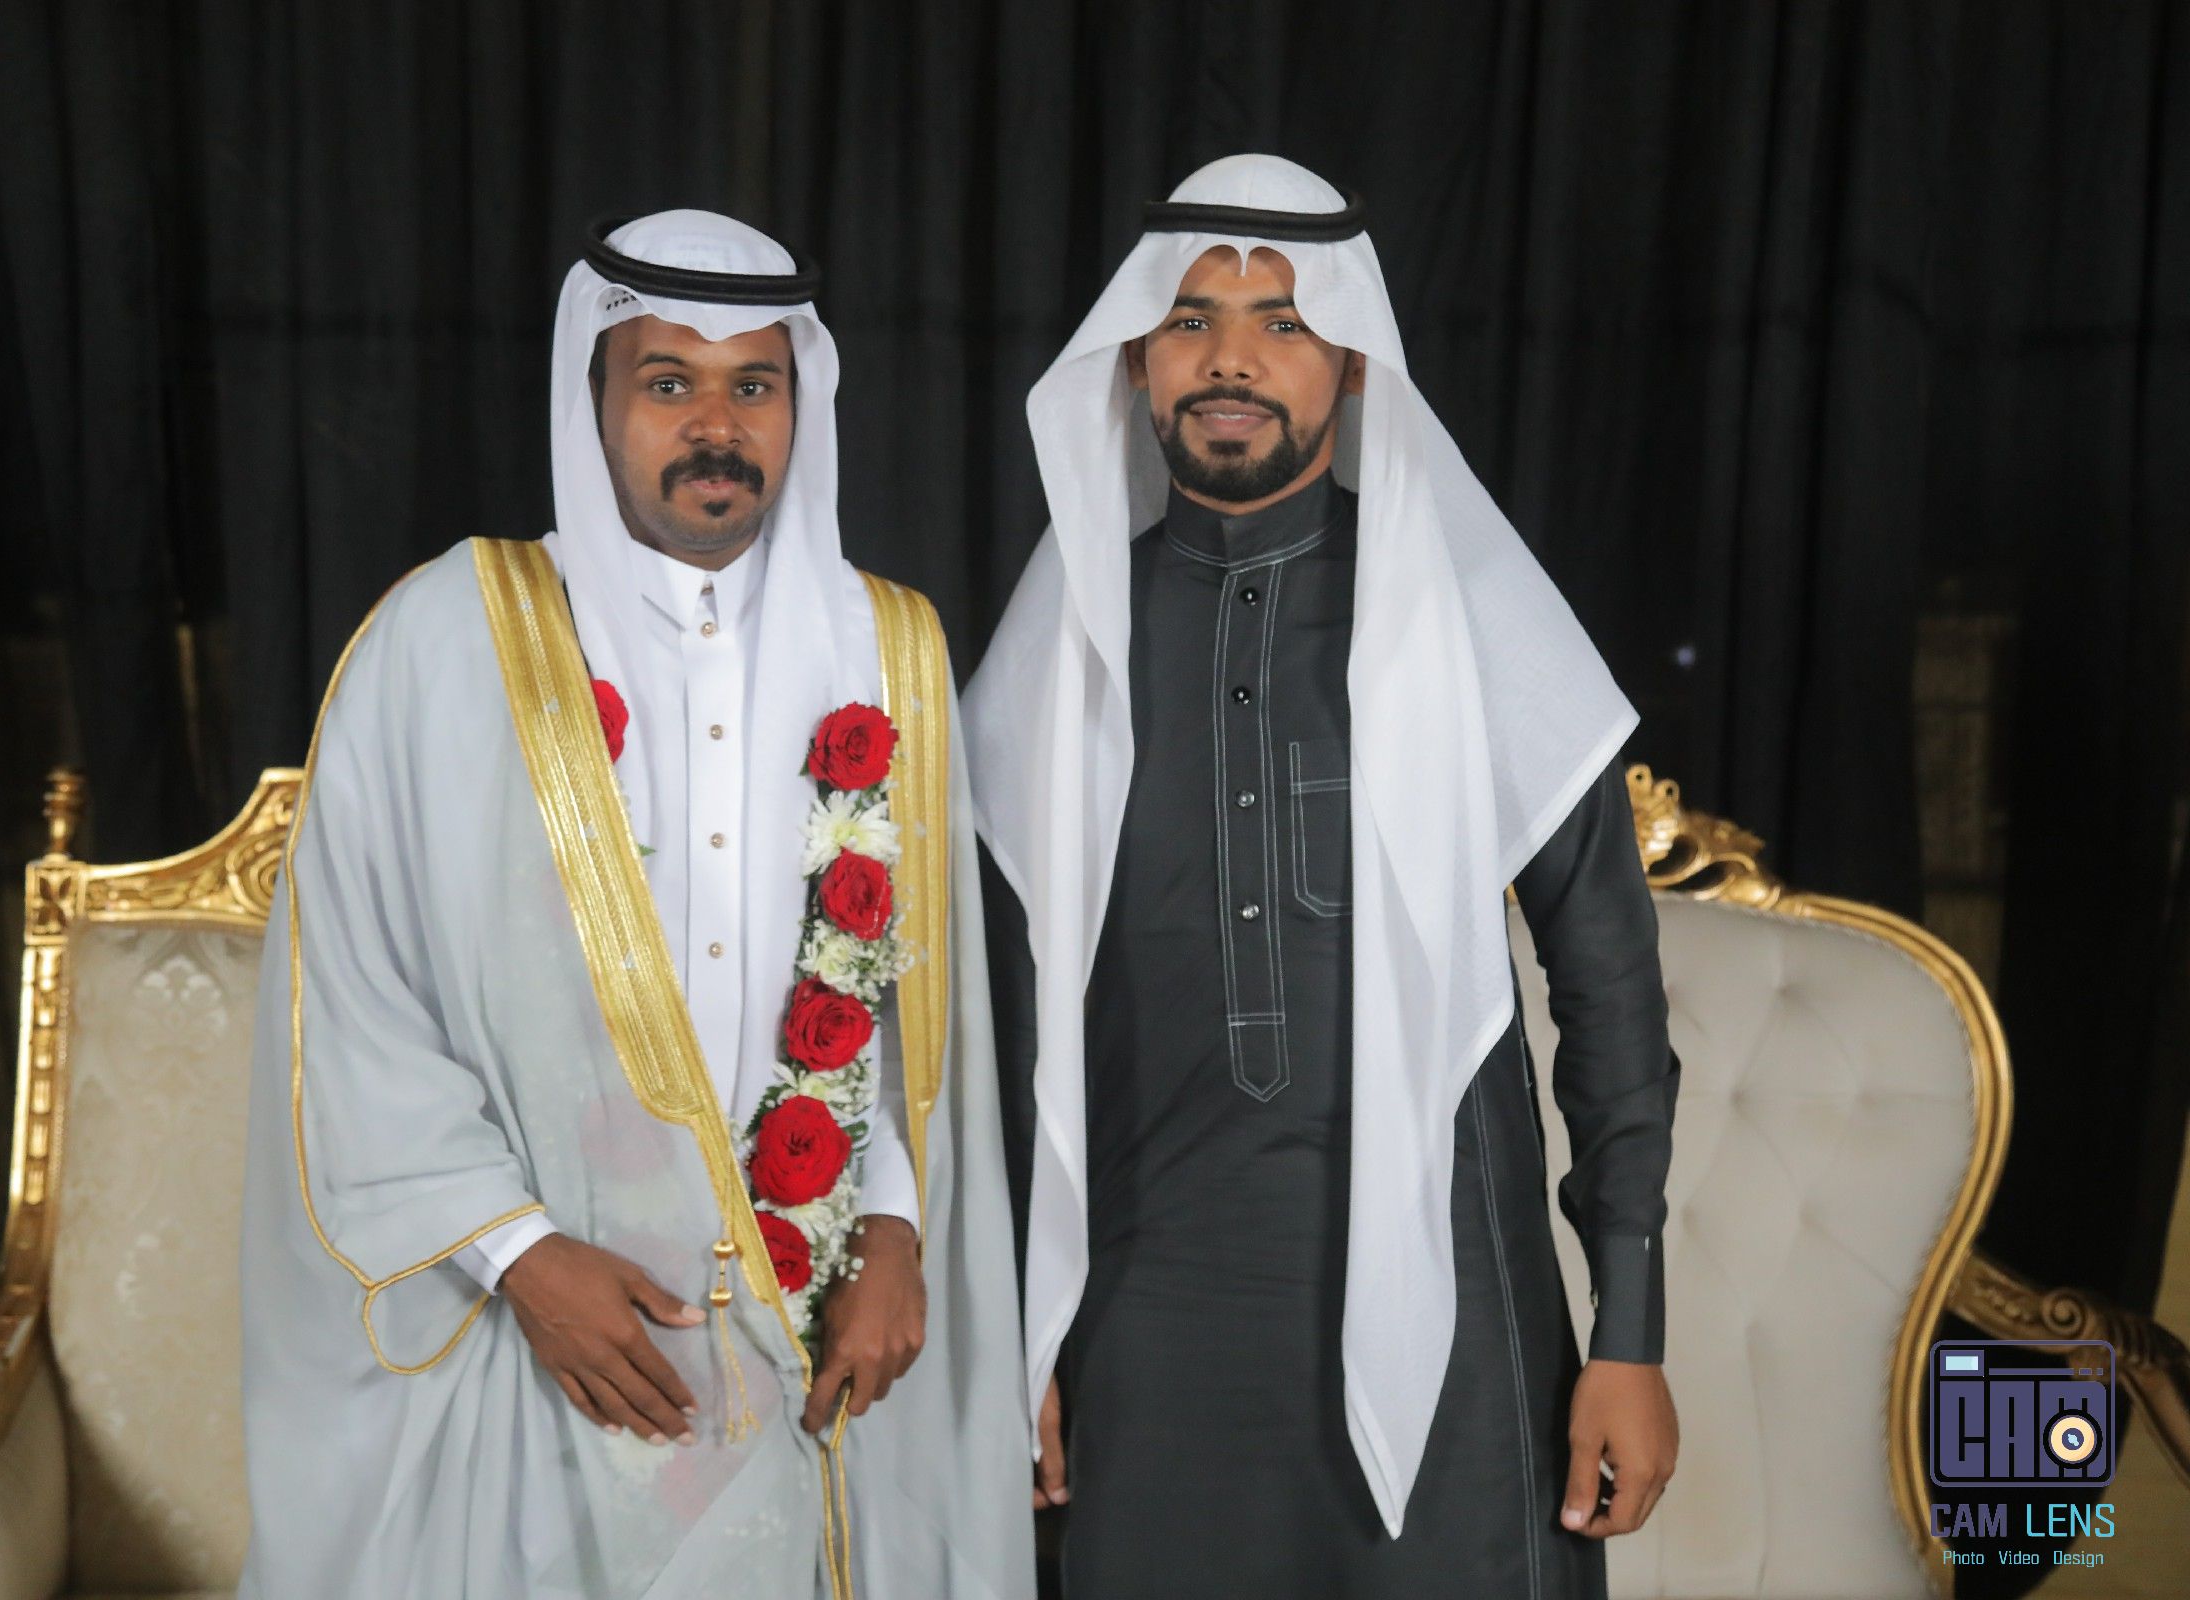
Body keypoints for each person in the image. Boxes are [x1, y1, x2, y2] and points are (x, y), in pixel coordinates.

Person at [239, 210, 1032, 1600]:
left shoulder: (886, 647)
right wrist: (518, 1256)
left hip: (813, 1326)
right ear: (594, 398)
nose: (716, 425)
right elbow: (349, 990)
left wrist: (896, 1226)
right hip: (544, 1340)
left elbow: (922, 1010)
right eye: (669, 383)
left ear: (801, 403)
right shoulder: (450, 637)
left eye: (753, 384)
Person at [966, 155, 1681, 1598]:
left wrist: (1631, 1332)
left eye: (1283, 322)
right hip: (1147, 1336)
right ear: (1133, 361)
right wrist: (1014, 1342)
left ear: (1354, 363)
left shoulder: (1470, 622)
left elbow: (1609, 989)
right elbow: (989, 1044)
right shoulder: (1060, 655)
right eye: (1191, 320)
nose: (1231, 358)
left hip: (1453, 1318)